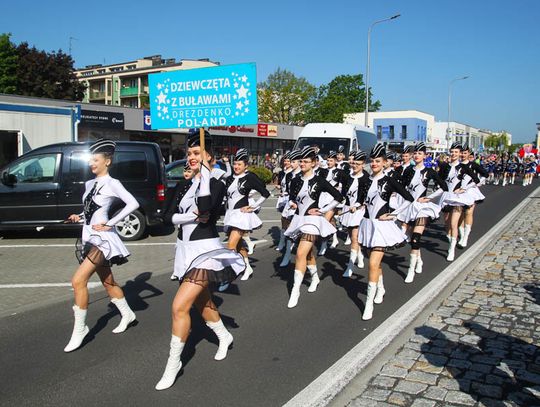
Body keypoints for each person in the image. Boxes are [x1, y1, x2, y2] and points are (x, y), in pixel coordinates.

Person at [155, 131, 245, 391]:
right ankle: (223, 335)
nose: (191, 157)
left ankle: (173, 364)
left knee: (179, 306)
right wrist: (189, 218)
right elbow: (167, 217)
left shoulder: (216, 182)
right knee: (202, 303)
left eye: (197, 153)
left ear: (209, 157)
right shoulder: (184, 184)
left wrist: (205, 174)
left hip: (205, 252)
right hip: (184, 251)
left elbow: (206, 208)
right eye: (189, 153)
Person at [64, 139, 139, 353]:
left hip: (104, 240)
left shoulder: (113, 183)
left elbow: (133, 203)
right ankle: (127, 314)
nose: (91, 164)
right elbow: (90, 210)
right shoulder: (89, 184)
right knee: (108, 281)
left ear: (107, 161)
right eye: (90, 160)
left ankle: (80, 329)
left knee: (78, 280)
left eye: (95, 160)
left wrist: (110, 222)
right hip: (90, 237)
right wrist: (78, 217)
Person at [358, 144, 414, 320]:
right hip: (367, 225)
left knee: (373, 264)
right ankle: (380, 287)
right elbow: (362, 201)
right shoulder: (365, 180)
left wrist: (393, 215)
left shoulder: (389, 181)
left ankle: (369, 304)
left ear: (384, 163)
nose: (374, 164)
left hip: (382, 228)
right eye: (372, 161)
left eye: (377, 161)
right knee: (374, 262)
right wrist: (356, 206)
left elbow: (409, 198)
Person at [284, 146, 343, 308]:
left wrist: (322, 210)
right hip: (299, 219)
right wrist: (292, 203)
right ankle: (315, 277)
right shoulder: (295, 180)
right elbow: (292, 196)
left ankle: (295, 290)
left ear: (314, 163)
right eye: (301, 161)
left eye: (306, 161)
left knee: (300, 252)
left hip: (312, 221)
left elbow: (339, 197)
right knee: (308, 253)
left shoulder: (319, 181)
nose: (302, 164)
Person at [395, 142, 447, 283]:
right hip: (410, 207)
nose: (417, 155)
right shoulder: (408, 170)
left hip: (422, 208)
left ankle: (410, 270)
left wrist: (429, 197)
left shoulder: (430, 171)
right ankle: (419, 260)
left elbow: (444, 187)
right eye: (415, 153)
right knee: (412, 239)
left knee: (416, 238)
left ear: (425, 156)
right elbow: (401, 186)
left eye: (420, 153)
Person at [224, 148, 270, 280]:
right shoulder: (229, 178)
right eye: (235, 164)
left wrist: (253, 206)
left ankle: (228, 275)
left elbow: (265, 193)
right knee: (238, 246)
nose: (236, 166)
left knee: (231, 245)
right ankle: (247, 267)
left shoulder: (249, 177)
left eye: (239, 164)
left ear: (246, 166)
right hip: (230, 214)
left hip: (241, 216)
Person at [433, 142, 480, 261]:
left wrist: (464, 188)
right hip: (446, 198)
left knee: (454, 223)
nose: (454, 154)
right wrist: (433, 195)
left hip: (457, 199)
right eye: (452, 151)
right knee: (447, 224)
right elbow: (440, 181)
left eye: (456, 152)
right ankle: (451, 239)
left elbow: (476, 180)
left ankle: (451, 249)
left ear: (459, 154)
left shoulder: (463, 167)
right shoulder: (444, 166)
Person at [340, 150, 370, 277]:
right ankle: (359, 255)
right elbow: (344, 193)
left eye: (358, 164)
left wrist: (359, 205)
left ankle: (350, 266)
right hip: (348, 209)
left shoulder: (366, 178)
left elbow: (367, 196)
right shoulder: (347, 176)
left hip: (359, 211)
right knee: (351, 236)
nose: (355, 166)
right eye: (353, 163)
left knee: (354, 237)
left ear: (363, 164)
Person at [457, 143, 487, 248]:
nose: (462, 155)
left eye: (465, 153)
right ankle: (461, 235)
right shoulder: (457, 165)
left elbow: (485, 175)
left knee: (468, 213)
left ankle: (465, 236)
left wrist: (475, 184)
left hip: (470, 192)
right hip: (458, 192)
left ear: (468, 153)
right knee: (459, 213)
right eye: (461, 153)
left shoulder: (473, 165)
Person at [279, 150, 302, 267]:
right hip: (289, 205)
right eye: (291, 161)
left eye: (294, 161)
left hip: (301, 207)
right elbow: (289, 190)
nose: (291, 164)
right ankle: (287, 254)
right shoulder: (288, 175)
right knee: (287, 228)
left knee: (301, 233)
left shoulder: (302, 175)